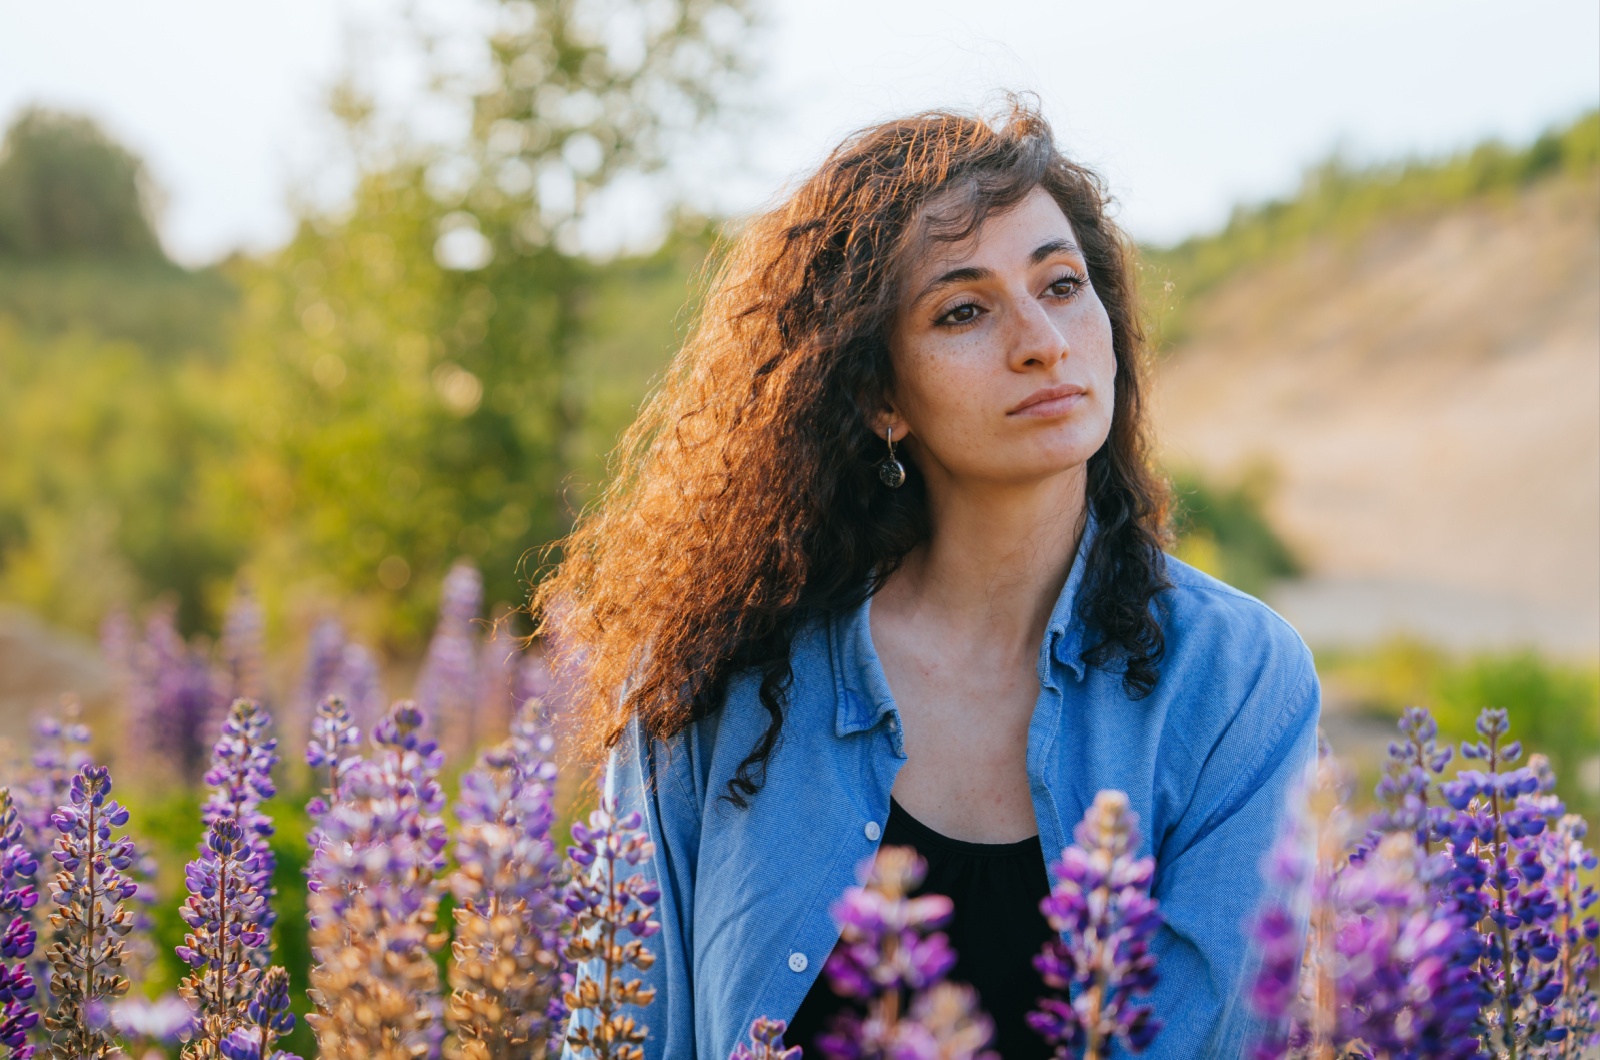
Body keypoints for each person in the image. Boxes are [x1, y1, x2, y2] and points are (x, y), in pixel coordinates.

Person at [536, 98, 1320, 1059]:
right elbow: (622, 1031)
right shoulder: (718, 671)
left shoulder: (1234, 677)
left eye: (1062, 285)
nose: (1042, 340)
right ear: (878, 396)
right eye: (963, 310)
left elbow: (1219, 1037)